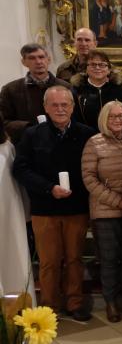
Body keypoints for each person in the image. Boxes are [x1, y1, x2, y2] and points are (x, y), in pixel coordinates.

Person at [12, 85, 95, 321]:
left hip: (76, 208)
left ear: (72, 106)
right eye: (55, 105)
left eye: (65, 104)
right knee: (48, 262)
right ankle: (49, 306)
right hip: (44, 209)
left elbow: (90, 168)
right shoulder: (32, 134)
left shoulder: (86, 133)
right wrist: (49, 188)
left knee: (74, 259)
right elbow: (21, 169)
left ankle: (75, 302)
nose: (60, 109)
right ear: (46, 107)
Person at [81, 101, 122, 323]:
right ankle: (110, 302)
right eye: (113, 116)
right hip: (105, 212)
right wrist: (119, 201)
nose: (118, 120)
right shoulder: (94, 143)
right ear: (104, 119)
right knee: (109, 260)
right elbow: (89, 179)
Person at [0, 43, 71, 143]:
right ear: (24, 62)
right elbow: (3, 122)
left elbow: (74, 117)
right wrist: (29, 127)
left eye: (41, 57)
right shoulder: (10, 89)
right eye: (32, 58)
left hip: (60, 142)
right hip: (26, 144)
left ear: (48, 59)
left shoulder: (65, 87)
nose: (38, 62)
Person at [0, 115, 35, 304]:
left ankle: (15, 304)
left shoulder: (7, 147)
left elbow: (17, 183)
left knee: (10, 258)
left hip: (7, 213)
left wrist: (27, 213)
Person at [71, 50, 122, 131]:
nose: (97, 68)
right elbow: (74, 120)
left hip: (118, 138)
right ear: (86, 69)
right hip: (87, 138)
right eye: (93, 64)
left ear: (109, 69)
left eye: (102, 65)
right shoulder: (77, 91)